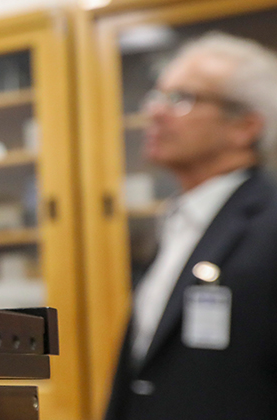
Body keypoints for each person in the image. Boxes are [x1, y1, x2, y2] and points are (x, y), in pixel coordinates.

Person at [105, 33, 277, 420]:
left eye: (181, 99)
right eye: (157, 96)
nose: (155, 112)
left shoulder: (269, 224)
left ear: (245, 126)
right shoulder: (179, 221)